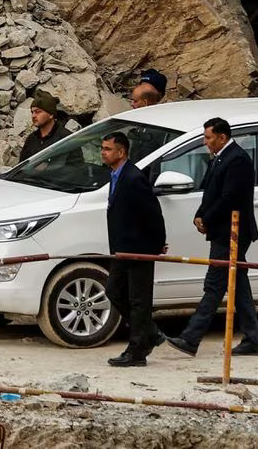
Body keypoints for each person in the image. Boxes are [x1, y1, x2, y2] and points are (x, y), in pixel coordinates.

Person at [166, 118, 258, 357]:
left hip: (233, 233)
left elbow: (230, 197)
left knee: (215, 284)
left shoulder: (237, 159)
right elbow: (210, 191)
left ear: (222, 137)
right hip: (221, 231)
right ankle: (252, 339)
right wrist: (200, 215)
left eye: (208, 138)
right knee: (238, 284)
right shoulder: (221, 157)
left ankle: (191, 338)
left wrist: (207, 218)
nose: (205, 142)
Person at [101, 132, 166, 367]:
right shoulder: (116, 176)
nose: (103, 152)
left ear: (121, 152)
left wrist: (157, 244)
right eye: (103, 148)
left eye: (108, 149)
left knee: (139, 300)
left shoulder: (133, 178)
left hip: (139, 249)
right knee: (114, 290)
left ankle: (137, 350)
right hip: (122, 249)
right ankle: (150, 332)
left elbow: (153, 213)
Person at [19, 91, 71, 162]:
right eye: (32, 112)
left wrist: (48, 168)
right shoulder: (31, 140)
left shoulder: (66, 138)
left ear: (51, 114)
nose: (33, 116)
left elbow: (76, 168)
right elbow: (21, 168)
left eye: (38, 112)